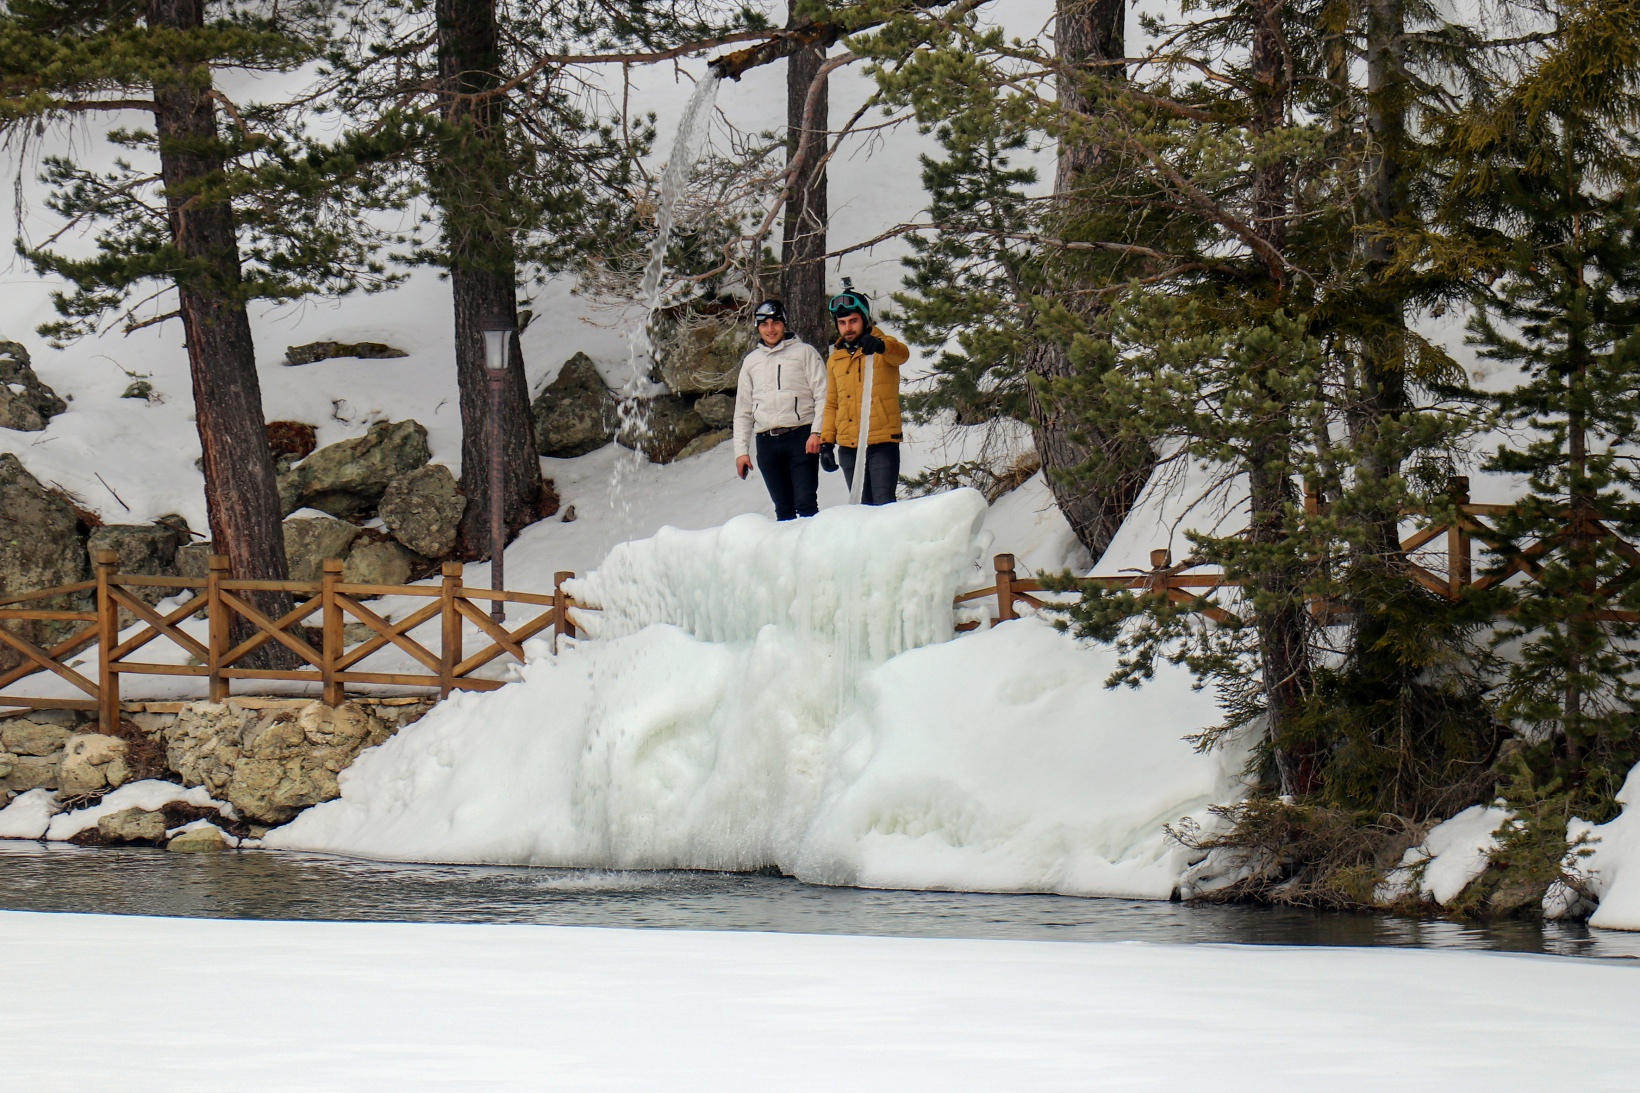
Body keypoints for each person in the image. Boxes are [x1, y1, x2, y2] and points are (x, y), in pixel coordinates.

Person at [733, 299, 828, 520]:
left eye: (775, 322)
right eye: (764, 324)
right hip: (766, 442)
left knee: (805, 503)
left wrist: (817, 432)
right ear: (758, 327)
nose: (770, 329)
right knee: (783, 508)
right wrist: (741, 452)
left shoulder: (805, 352)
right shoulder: (751, 362)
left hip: (800, 436)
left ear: (784, 324)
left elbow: (823, 394)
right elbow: (743, 411)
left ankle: (812, 551)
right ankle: (789, 554)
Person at [820, 281, 910, 505]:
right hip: (849, 446)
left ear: (865, 319)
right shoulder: (836, 358)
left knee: (883, 506)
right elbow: (832, 403)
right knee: (860, 511)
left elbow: (901, 355)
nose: (847, 328)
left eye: (853, 321)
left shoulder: (884, 346)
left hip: (881, 442)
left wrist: (880, 345)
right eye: (842, 323)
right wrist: (826, 443)